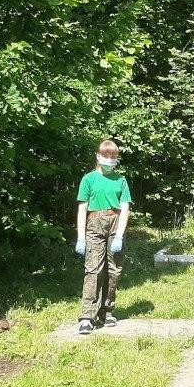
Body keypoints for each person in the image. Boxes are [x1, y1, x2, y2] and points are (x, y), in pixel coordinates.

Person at [75, 139, 132, 334]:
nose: (109, 159)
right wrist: (81, 238)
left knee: (113, 270)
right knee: (93, 270)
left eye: (113, 157)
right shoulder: (89, 179)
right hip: (94, 224)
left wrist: (119, 236)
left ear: (116, 158)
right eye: (106, 156)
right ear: (98, 156)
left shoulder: (121, 180)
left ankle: (107, 311)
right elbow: (82, 209)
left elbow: (125, 208)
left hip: (115, 224)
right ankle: (87, 317)